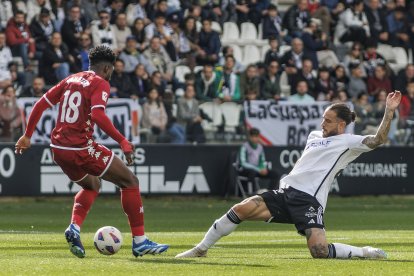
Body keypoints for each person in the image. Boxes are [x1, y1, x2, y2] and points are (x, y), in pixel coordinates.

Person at [176, 90, 402, 259]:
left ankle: (365, 252)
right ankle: (200, 249)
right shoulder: (314, 135)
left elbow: (378, 140)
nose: (322, 123)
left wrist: (389, 112)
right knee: (241, 208)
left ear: (342, 124)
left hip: (308, 201)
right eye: (323, 118)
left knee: (319, 252)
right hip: (286, 192)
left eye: (328, 120)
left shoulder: (349, 143)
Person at [15, 45, 169, 258]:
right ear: (107, 68)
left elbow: (40, 104)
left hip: (58, 149)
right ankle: (140, 242)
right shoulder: (101, 83)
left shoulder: (71, 79)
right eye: (112, 70)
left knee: (92, 184)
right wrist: (123, 141)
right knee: (130, 181)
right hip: (80, 148)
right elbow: (97, 115)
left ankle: (74, 228)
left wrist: (27, 135)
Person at [235, 128, 279, 192]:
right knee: (252, 173)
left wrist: (263, 168)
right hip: (244, 170)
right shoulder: (244, 147)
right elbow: (243, 163)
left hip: (258, 170)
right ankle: (252, 194)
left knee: (275, 174)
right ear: (249, 137)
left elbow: (262, 160)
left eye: (256, 137)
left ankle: (269, 193)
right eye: (253, 136)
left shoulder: (260, 147)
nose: (254, 139)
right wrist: (258, 169)